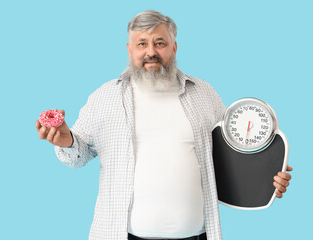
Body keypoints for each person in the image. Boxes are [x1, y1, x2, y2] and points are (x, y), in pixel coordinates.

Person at [36, 10, 292, 240]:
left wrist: (268, 171)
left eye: (160, 43)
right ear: (129, 49)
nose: (151, 52)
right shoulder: (104, 97)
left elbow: (232, 150)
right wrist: (67, 140)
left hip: (197, 236)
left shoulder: (203, 93)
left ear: (174, 47)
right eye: (142, 44)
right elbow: (77, 156)